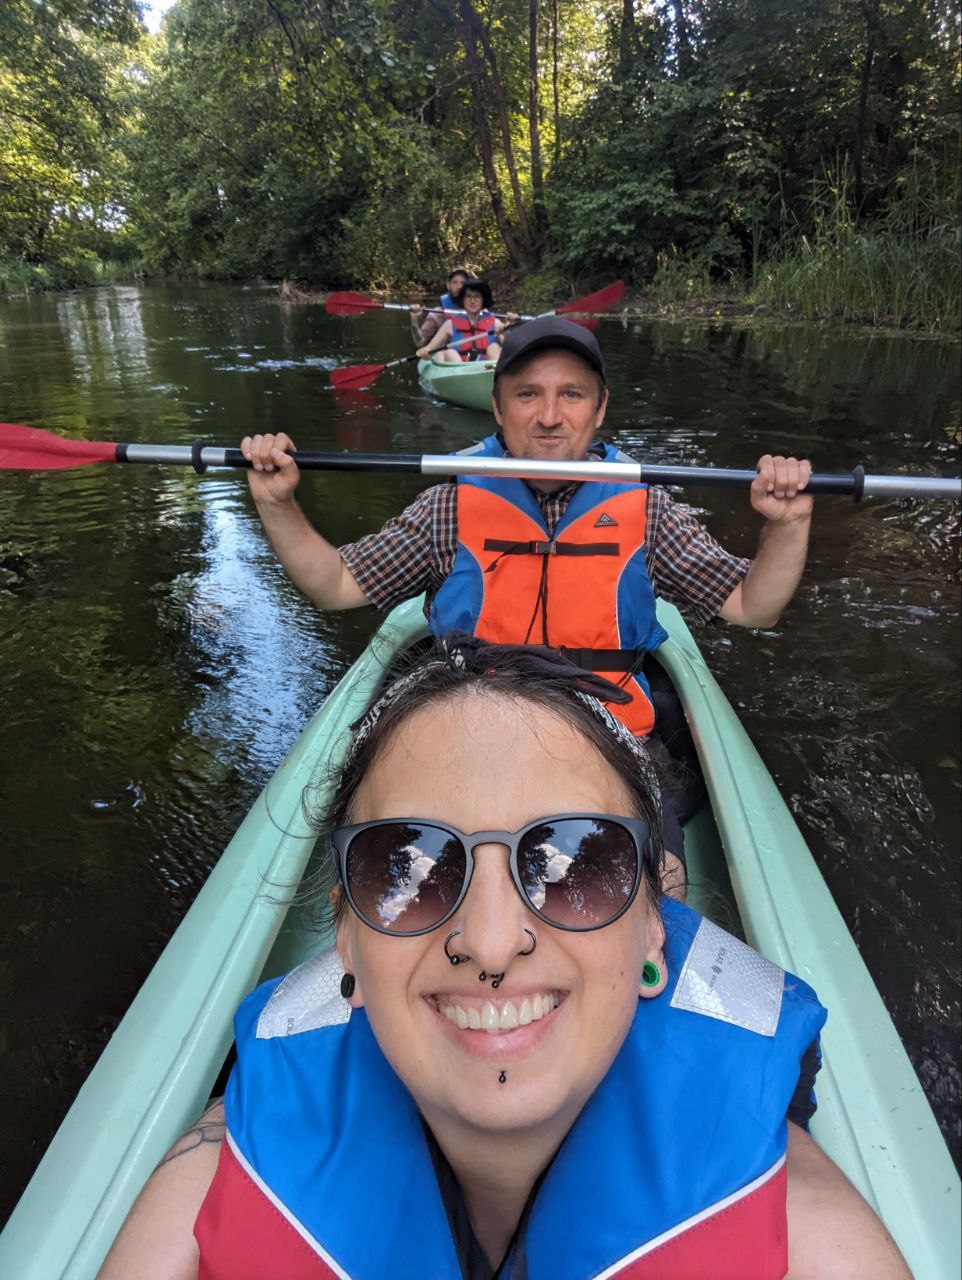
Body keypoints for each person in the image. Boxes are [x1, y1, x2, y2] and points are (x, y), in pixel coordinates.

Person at [96, 639, 910, 1279]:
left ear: (657, 921)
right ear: (344, 930)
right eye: (407, 866)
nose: (489, 944)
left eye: (578, 863)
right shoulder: (207, 1196)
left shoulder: (815, 1245)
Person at [238, 315, 814, 891]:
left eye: (571, 394)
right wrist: (278, 504)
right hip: (470, 723)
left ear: (600, 408)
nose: (548, 416)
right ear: (497, 407)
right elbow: (335, 584)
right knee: (417, 884)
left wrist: (788, 526)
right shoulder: (450, 504)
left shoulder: (649, 510)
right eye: (528, 394)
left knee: (660, 884)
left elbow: (751, 605)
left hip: (608, 730)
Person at [416, 278, 512, 364]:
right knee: (450, 352)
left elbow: (511, 347)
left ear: (483, 300)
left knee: (494, 347)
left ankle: (496, 379)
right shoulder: (450, 325)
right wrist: (424, 351)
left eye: (477, 296)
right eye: (468, 296)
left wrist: (508, 328)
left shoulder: (495, 323)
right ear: (463, 300)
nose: (473, 301)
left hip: (487, 371)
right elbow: (429, 349)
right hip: (461, 372)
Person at [410, 266, 469, 346]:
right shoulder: (436, 314)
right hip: (446, 354)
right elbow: (419, 342)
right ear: (448, 285)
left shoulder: (477, 310)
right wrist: (414, 320)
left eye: (463, 283)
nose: (459, 286)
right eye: (455, 282)